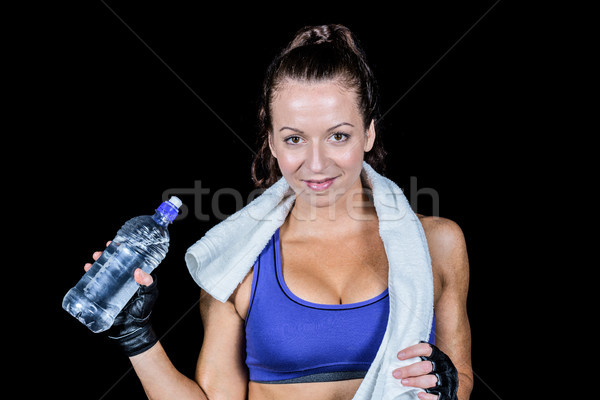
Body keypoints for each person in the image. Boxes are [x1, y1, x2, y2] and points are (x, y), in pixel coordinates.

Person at [84, 24, 472, 399]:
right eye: (294, 139)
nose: (316, 164)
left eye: (338, 136)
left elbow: (462, 379)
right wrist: (137, 336)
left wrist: (448, 384)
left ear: (368, 133)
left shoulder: (437, 243)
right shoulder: (237, 261)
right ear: (271, 141)